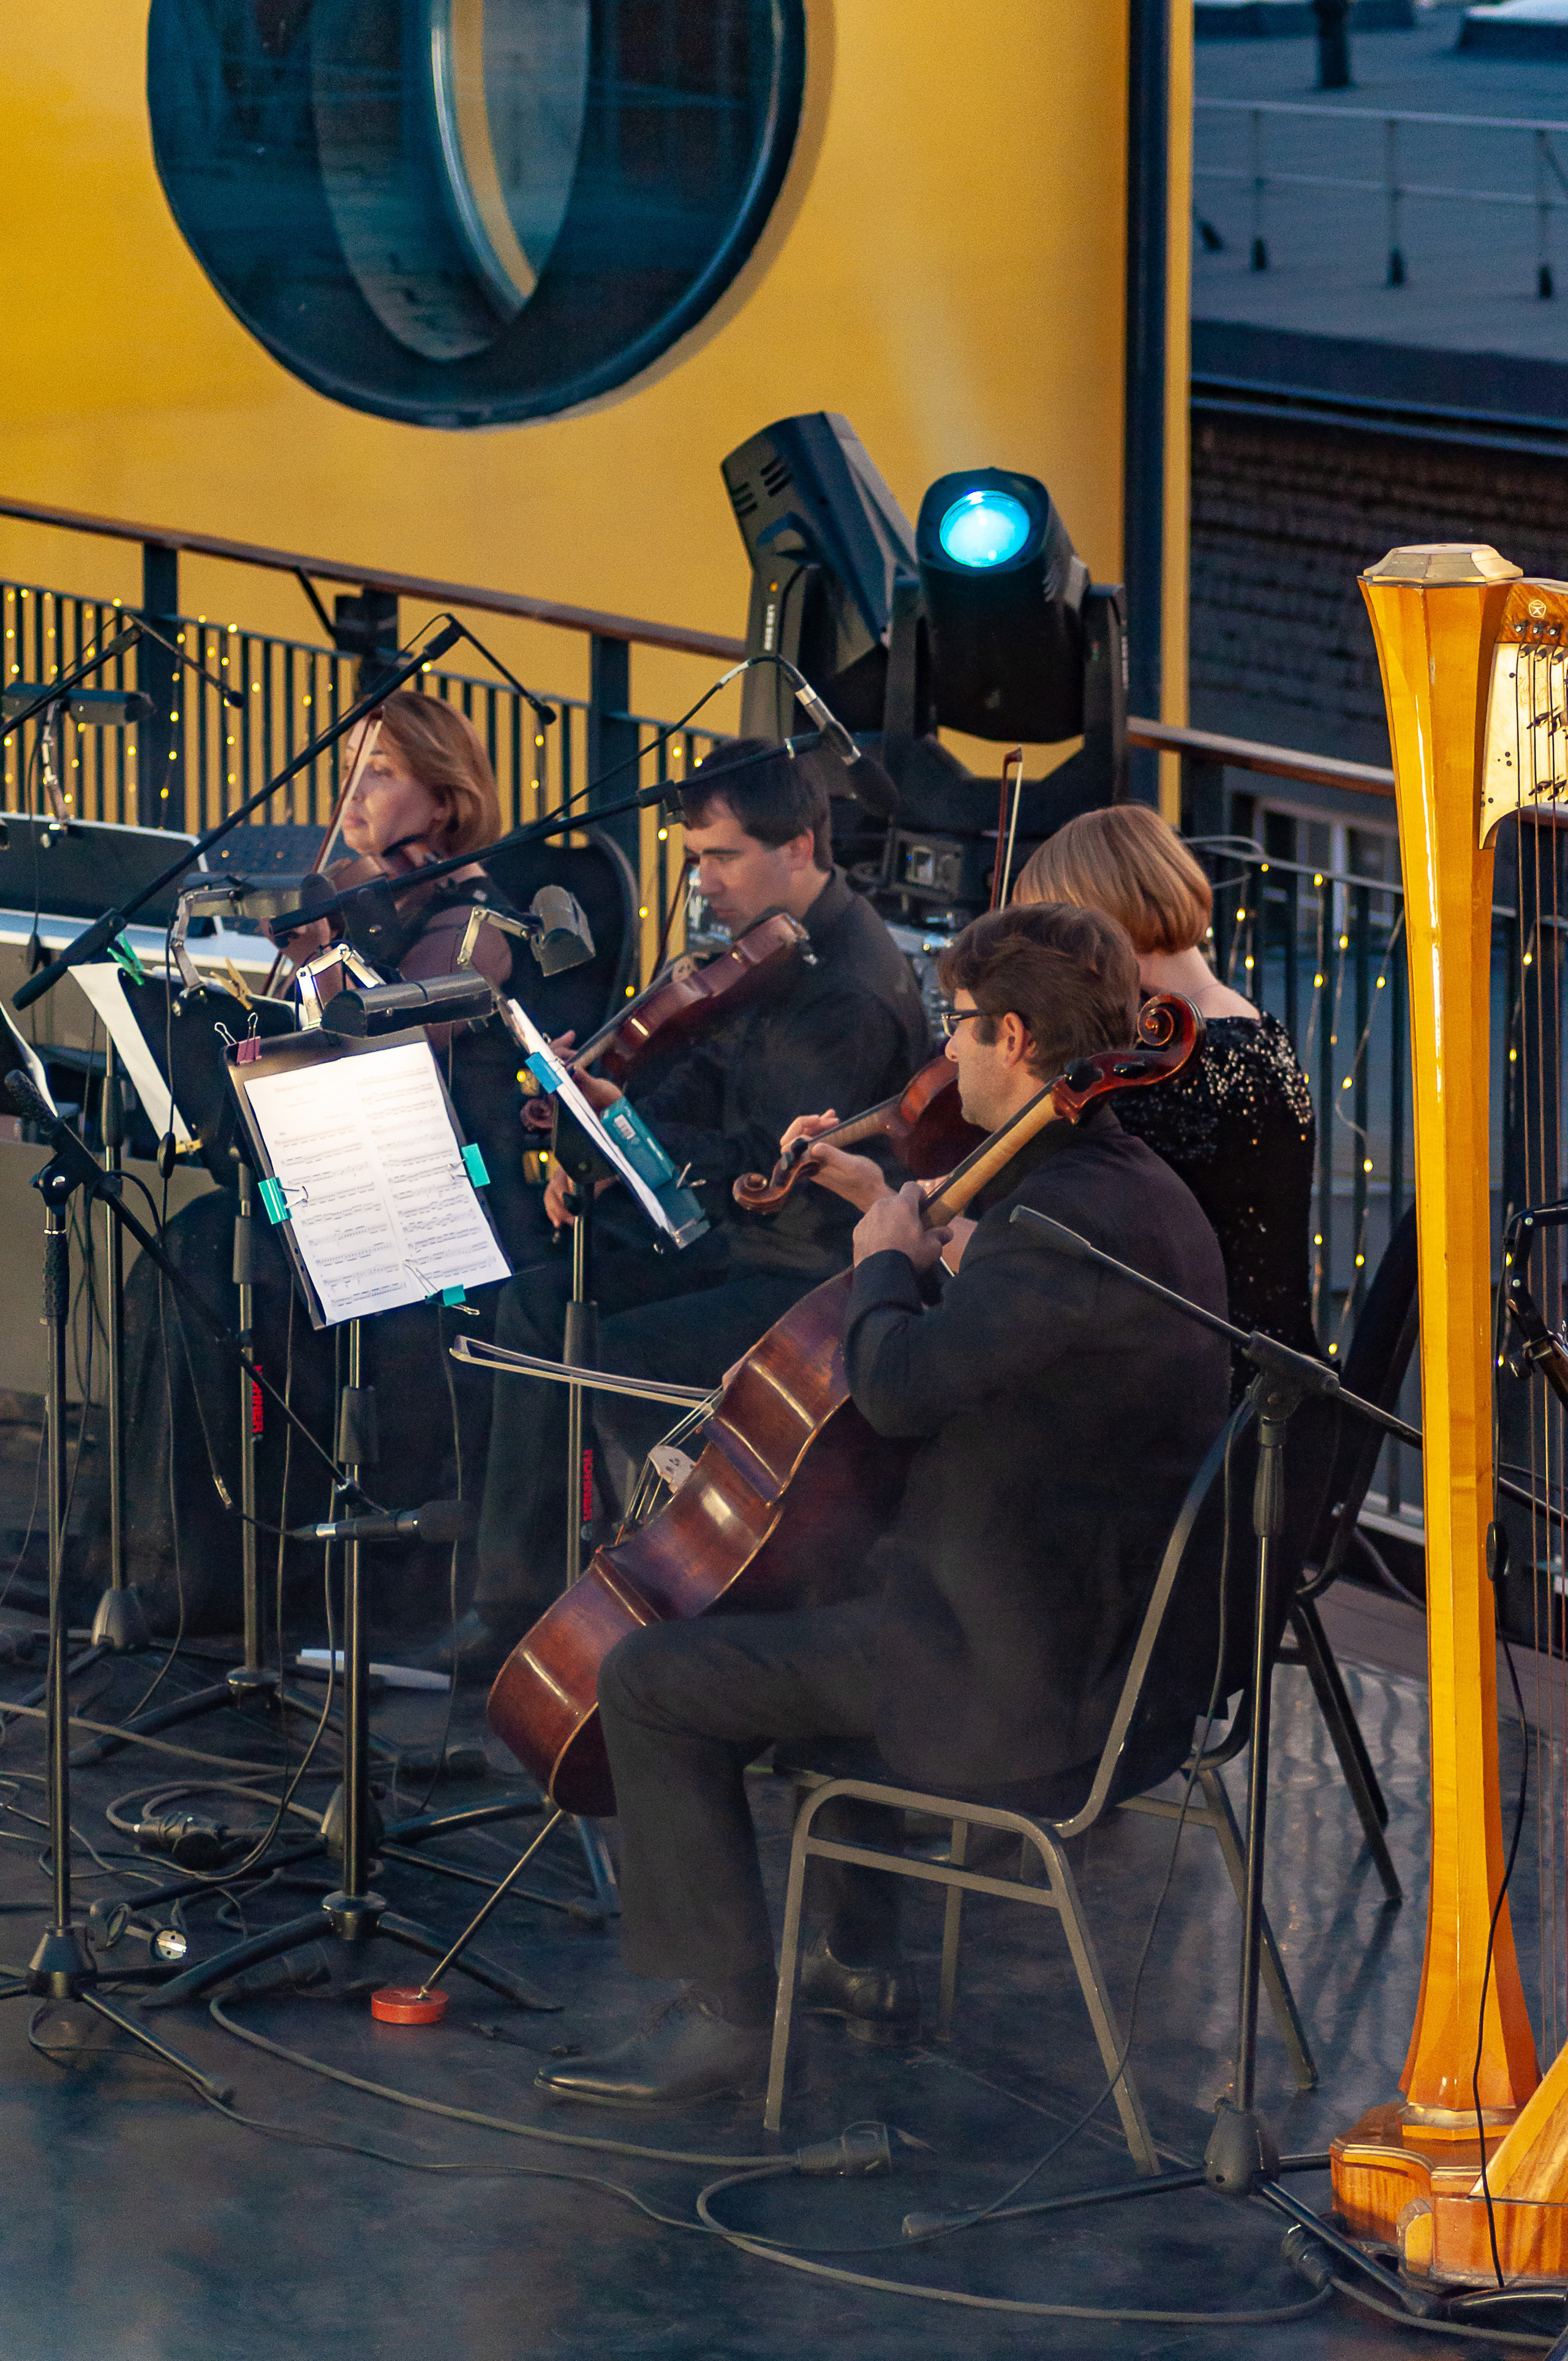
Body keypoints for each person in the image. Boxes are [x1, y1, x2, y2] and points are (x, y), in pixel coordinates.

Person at [533, 902, 1231, 2109]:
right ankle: (854, 1960)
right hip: (1101, 1646)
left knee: (650, 1676)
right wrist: (909, 1208)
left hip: (1015, 1688)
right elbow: (1008, 1346)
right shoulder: (1121, 1189)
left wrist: (881, 1261)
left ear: (1013, 1037)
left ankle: (719, 2024)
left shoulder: (1054, 1224)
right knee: (824, 1587)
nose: (943, 1054)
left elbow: (899, 1392)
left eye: (958, 1027)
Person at [456, 738, 932, 1679]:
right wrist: (601, 1147)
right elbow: (700, 1077)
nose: (701, 881)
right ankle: (512, 1601)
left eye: (721, 856)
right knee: (535, 1305)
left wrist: (630, 1127)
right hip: (738, 1243)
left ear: (798, 846)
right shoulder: (768, 952)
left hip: (803, 1279)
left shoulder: (845, 988)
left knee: (606, 1349)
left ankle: (658, 1618)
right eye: (690, 858)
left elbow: (767, 1161)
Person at [89, 693, 533, 1634]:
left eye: (379, 772)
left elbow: (399, 1038)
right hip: (326, 1190)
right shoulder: (358, 893)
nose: (353, 791)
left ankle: (229, 1568)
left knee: (212, 1250)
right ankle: (167, 1553)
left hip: (426, 1217)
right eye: (352, 770)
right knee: (193, 1244)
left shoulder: (477, 921)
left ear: (445, 802)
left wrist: (327, 954)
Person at [1013, 804, 1319, 1389]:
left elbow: (1067, 1256)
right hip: (1274, 1390)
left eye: (1058, 938)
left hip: (1202, 1407)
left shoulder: (1175, 1074)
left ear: (1101, 922)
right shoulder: (1255, 1027)